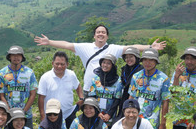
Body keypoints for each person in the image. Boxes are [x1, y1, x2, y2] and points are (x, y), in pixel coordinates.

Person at [34, 24, 166, 94]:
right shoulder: (85, 47)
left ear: (107, 36)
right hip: (89, 89)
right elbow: (67, 45)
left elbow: (132, 47)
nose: (101, 34)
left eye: (103, 32)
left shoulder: (114, 48)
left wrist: (150, 47)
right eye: (98, 32)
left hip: (109, 90)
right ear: (94, 36)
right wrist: (49, 42)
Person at [128, 48, 171, 129]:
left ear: (156, 62)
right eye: (145, 60)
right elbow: (131, 97)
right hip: (135, 119)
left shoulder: (163, 79)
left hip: (152, 122)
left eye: (151, 60)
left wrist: (163, 123)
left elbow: (165, 102)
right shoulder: (136, 76)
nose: (148, 62)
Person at [37, 51, 84, 129]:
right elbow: (41, 97)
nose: (59, 66)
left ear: (67, 64)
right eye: (57, 64)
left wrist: (81, 98)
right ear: (52, 63)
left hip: (69, 113)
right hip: (51, 115)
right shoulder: (45, 77)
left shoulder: (71, 74)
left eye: (62, 64)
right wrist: (42, 115)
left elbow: (78, 86)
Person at [0, 45, 38, 129]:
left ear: (22, 57)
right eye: (13, 55)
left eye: (19, 55)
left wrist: (24, 111)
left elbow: (33, 94)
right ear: (9, 57)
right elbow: (1, 95)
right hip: (9, 115)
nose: (16, 57)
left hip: (26, 115)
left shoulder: (29, 73)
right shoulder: (2, 73)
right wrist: (9, 112)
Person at [87, 53, 122, 124]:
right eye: (103, 62)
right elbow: (92, 97)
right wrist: (97, 112)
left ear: (112, 65)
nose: (105, 65)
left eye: (108, 63)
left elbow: (117, 100)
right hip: (96, 114)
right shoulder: (95, 79)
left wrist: (109, 114)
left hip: (109, 116)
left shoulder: (118, 82)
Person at [116, 46, 143, 118]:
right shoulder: (124, 69)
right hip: (124, 97)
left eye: (131, 57)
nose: (128, 59)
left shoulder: (141, 70)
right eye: (126, 57)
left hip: (135, 98)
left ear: (136, 58)